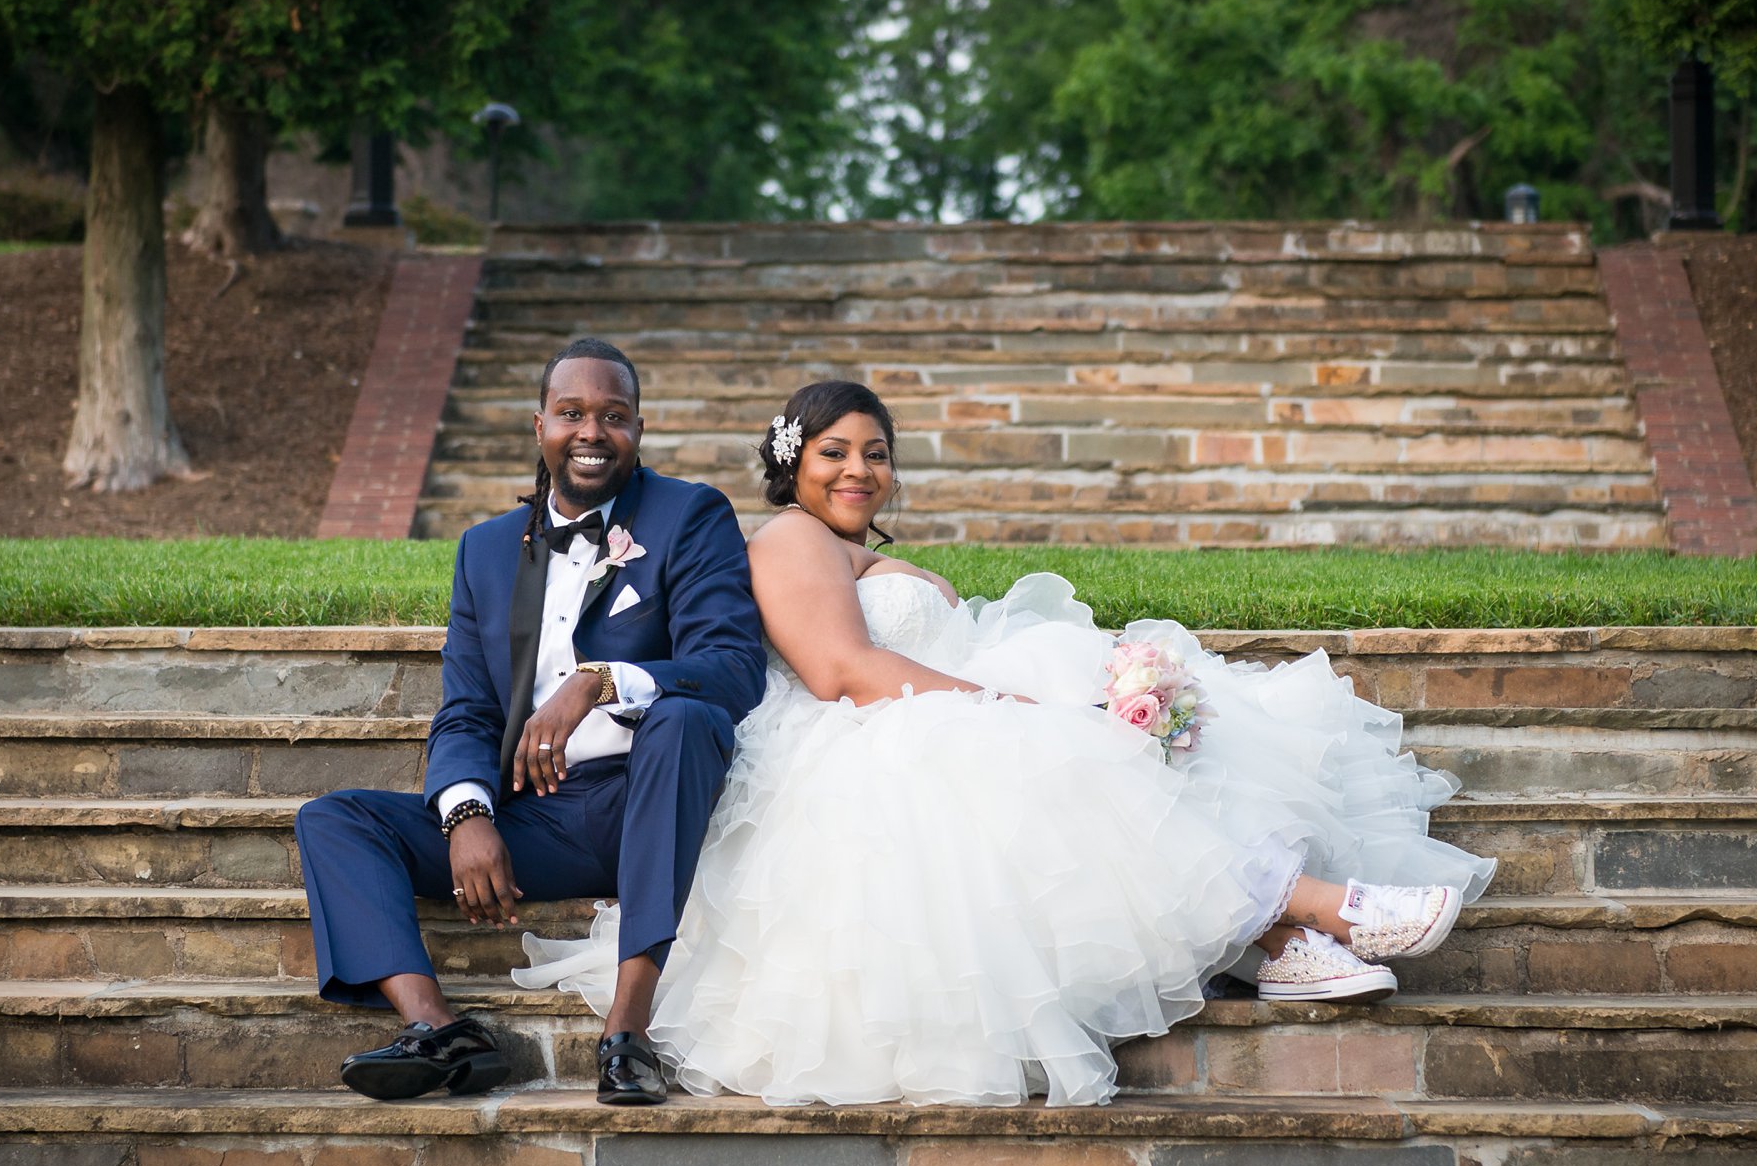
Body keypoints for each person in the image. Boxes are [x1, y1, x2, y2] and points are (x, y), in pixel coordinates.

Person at [520, 380, 1495, 1107]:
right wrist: (1013, 708)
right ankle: (1321, 908)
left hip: (930, 711)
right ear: (791, 462)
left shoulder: (856, 548)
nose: (858, 470)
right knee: (1047, 767)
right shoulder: (784, 542)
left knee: (1114, 746)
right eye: (833, 452)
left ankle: (1284, 946)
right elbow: (840, 671)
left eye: (875, 453)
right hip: (866, 742)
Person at [297, 338, 766, 1105]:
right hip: (535, 821)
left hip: (652, 795)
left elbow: (732, 666)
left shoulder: (690, 515)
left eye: (613, 416)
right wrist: (468, 816)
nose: (591, 432)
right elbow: (468, 709)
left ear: (638, 430)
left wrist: (599, 680)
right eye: (572, 413)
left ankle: (628, 1032)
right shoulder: (485, 550)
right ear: (539, 424)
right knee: (336, 821)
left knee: (683, 719)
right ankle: (441, 1031)